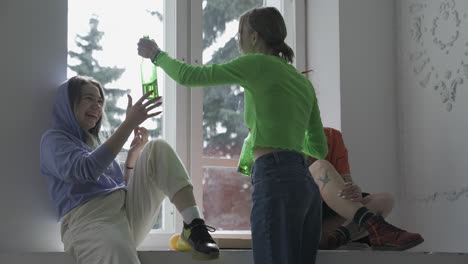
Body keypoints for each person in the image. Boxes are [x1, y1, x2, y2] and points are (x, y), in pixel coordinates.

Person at [138, 6, 327, 264]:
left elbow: (190, 76)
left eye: (241, 33)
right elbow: (319, 148)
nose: (238, 39)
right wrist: (286, 134)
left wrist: (156, 55)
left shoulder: (256, 63)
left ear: (254, 37)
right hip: (305, 187)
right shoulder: (302, 82)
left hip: (275, 179)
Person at [39, 76, 219, 264]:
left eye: (100, 101)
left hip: (123, 215)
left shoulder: (94, 143)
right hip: (89, 222)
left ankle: (194, 226)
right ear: (68, 104)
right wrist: (128, 124)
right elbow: (86, 170)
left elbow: (119, 187)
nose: (97, 106)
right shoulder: (53, 140)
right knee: (117, 251)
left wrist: (132, 157)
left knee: (156, 148)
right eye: (88, 98)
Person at [309, 127, 424, 251]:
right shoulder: (287, 140)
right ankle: (377, 227)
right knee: (320, 166)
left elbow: (346, 183)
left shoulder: (331, 135)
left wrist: (355, 192)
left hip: (330, 224)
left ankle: (334, 240)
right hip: (304, 220)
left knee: (385, 199)